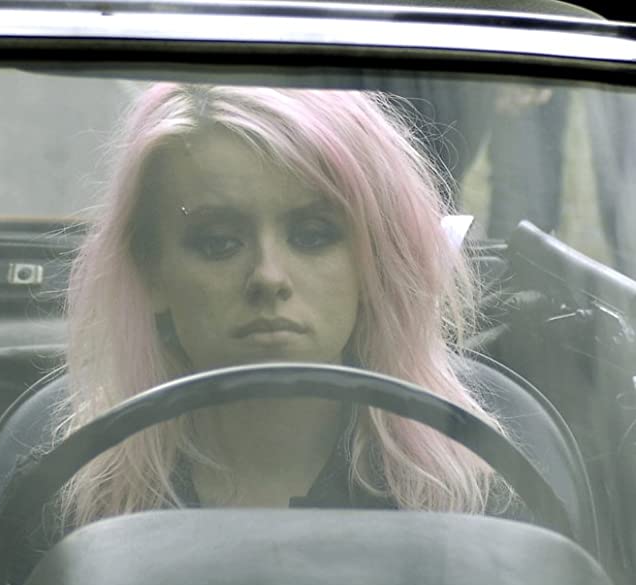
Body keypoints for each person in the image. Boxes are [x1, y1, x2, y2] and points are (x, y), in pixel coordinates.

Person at [60, 83, 512, 528]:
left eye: (313, 236)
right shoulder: (76, 498)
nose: (269, 276)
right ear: (151, 272)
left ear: (376, 261)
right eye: (218, 243)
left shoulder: (473, 493)